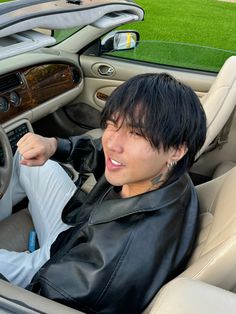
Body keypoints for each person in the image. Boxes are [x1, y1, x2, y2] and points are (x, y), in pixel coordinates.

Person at [0, 73, 206, 314]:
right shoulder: (171, 174)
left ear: (177, 149)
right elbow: (102, 151)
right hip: (78, 234)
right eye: (112, 124)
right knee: (25, 155)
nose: (112, 144)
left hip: (51, 269)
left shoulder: (108, 269)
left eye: (136, 133)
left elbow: (36, 301)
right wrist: (54, 146)